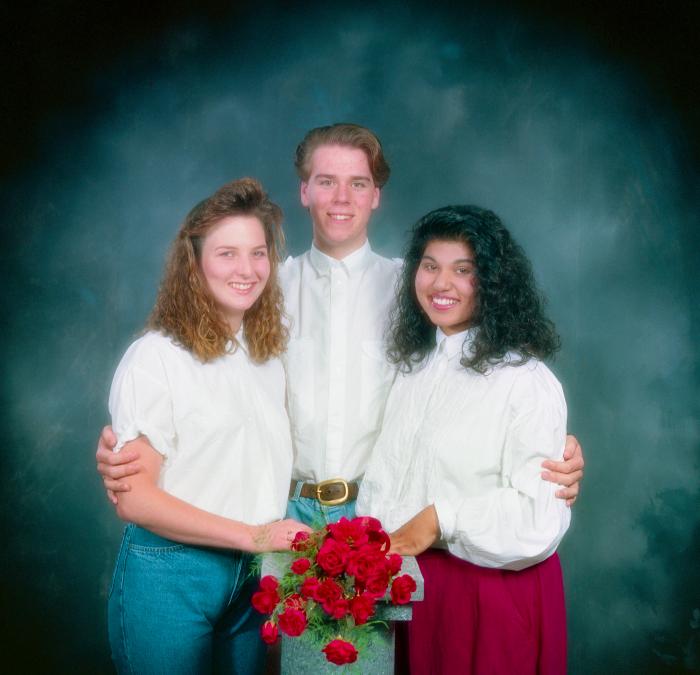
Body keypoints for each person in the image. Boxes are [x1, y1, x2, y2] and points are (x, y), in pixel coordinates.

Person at [96, 124, 584, 525]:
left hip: (381, 513)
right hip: (280, 512)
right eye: (326, 181)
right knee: (279, 647)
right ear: (304, 191)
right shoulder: (261, 288)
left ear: (376, 196)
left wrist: (552, 447)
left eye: (358, 183)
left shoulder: (416, 292)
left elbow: (477, 377)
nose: (341, 198)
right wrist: (133, 438)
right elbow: (208, 376)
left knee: (371, 648)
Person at [106, 178, 310, 674]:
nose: (247, 270)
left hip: (252, 577)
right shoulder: (156, 356)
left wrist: (259, 547)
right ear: (193, 265)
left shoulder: (266, 360)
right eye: (226, 254)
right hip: (173, 571)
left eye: (258, 253)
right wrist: (254, 536)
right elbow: (135, 498)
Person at [357, 204, 573, 674]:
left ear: (492, 284)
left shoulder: (525, 380)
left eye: (463, 270)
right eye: (430, 266)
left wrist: (441, 518)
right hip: (413, 586)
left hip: (488, 593)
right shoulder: (413, 367)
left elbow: (537, 516)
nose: (440, 284)